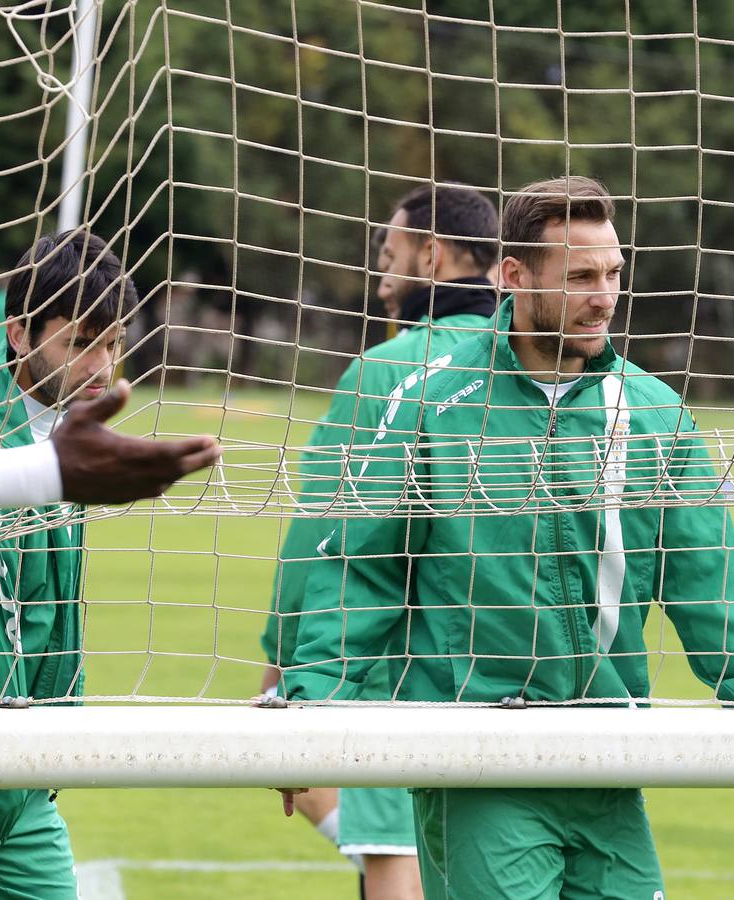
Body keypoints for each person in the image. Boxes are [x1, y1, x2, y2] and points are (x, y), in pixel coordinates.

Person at [285, 175, 734, 900]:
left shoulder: (653, 413)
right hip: (478, 760)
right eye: (580, 276)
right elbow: (362, 574)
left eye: (612, 274)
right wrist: (308, 708)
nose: (603, 296)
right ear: (513, 277)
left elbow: (711, 587)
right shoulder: (429, 406)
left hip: (607, 759)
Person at [0, 229, 220, 899]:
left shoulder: (67, 437)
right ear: (18, 334)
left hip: (21, 787)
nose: (102, 366)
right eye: (80, 343)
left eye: (114, 344)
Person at [260, 183, 500, 899]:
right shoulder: (538, 371)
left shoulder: (387, 371)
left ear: (432, 255)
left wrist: (281, 662)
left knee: (393, 852)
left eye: (389, 256)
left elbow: (323, 534)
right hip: (528, 683)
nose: (381, 276)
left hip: (396, 672)